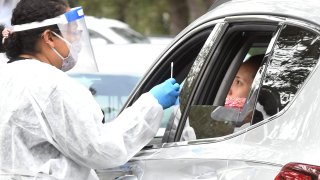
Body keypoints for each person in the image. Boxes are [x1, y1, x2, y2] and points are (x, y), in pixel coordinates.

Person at [0, 0, 180, 179]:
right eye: (72, 32)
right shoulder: (51, 85)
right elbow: (103, 149)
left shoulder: (7, 76)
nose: (77, 39)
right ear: (49, 38)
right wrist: (151, 104)